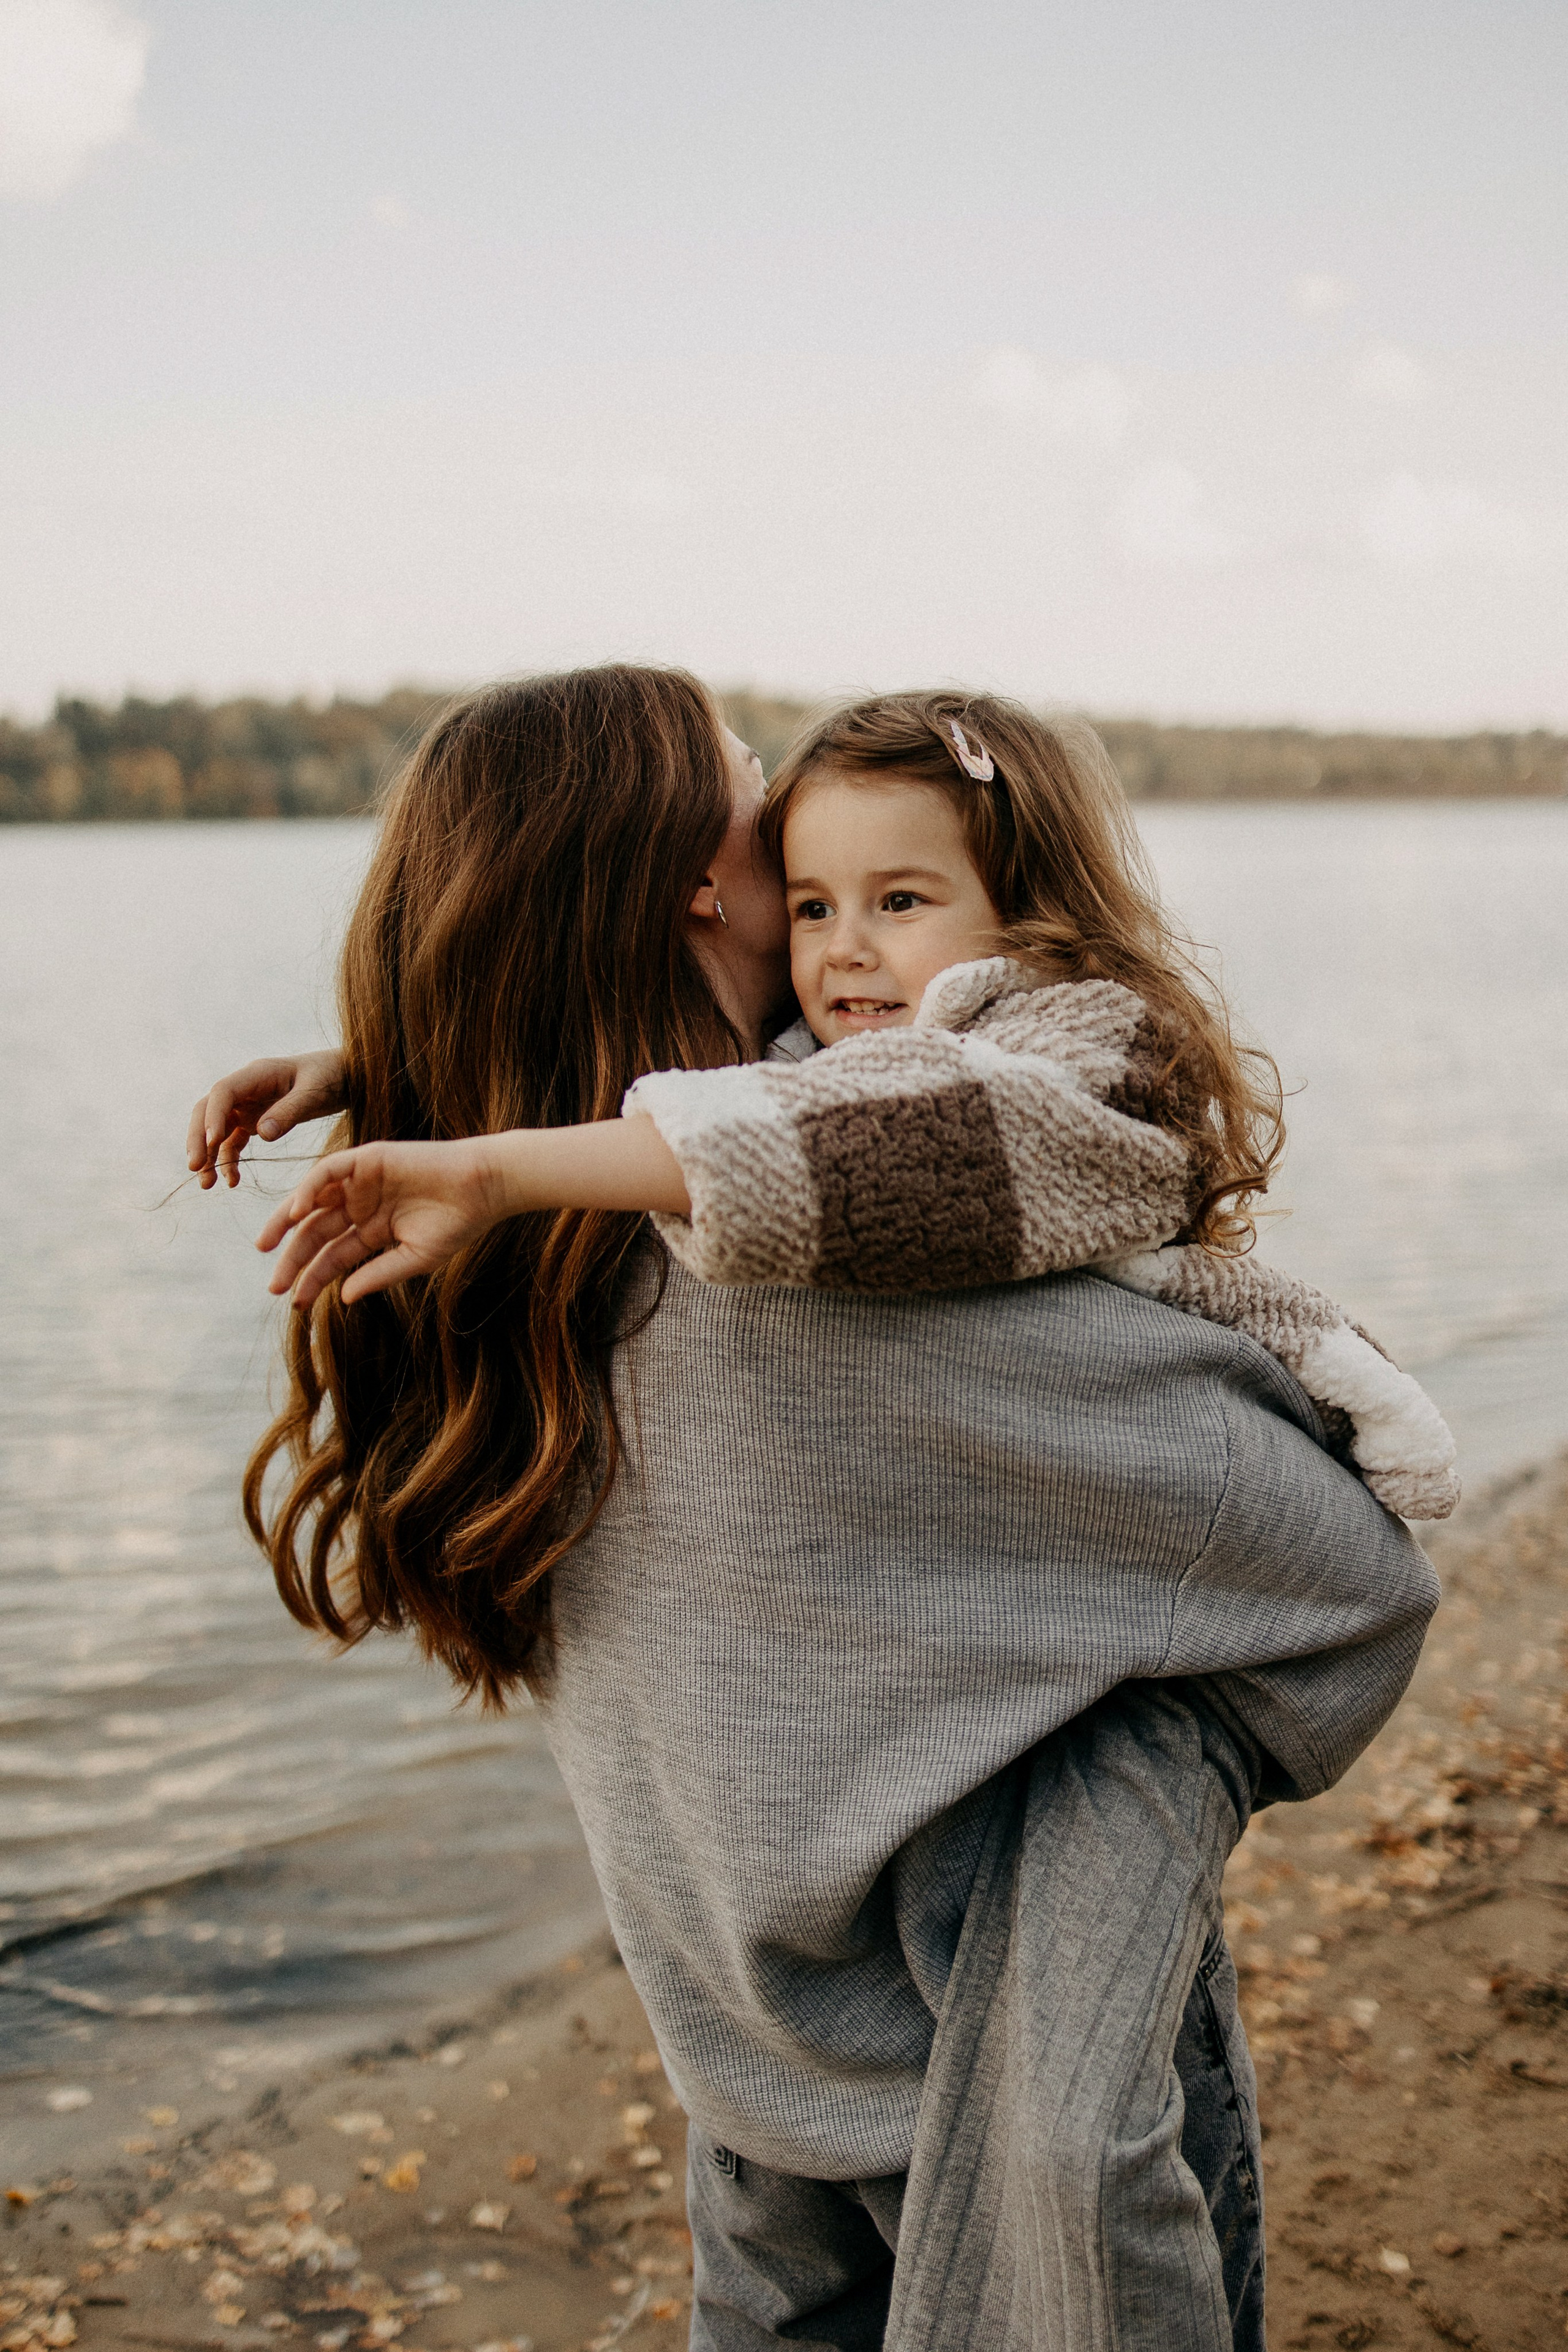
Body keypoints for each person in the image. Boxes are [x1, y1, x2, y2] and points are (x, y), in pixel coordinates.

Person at [189, 668, 1439, 2350]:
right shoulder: (819, 1293)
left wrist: (409, 1080)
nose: (779, 788)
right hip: (982, 2065)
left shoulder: (501, 1285)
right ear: (710, 878)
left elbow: (790, 1114)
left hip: (748, 2065)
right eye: (745, 770)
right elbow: (1332, 1567)